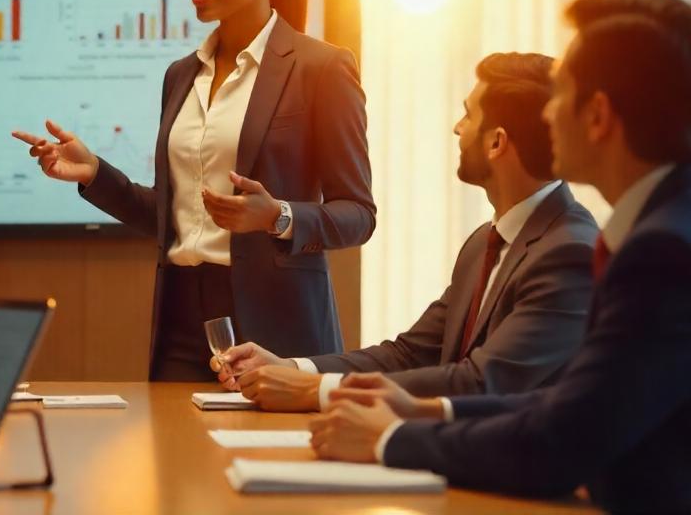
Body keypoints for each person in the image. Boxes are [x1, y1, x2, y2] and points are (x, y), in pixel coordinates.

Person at [309, 0, 691, 513]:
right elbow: (577, 404)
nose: (545, 117)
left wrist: (388, 440)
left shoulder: (669, 253)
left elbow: (559, 445)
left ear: (598, 116)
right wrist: (428, 410)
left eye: (558, 96)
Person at [13, 0, 376, 380]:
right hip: (182, 320)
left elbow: (358, 215)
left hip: (279, 328)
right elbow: (176, 218)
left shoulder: (321, 68)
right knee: (176, 456)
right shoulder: (181, 75)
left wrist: (278, 216)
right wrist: (96, 174)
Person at [213, 53, 596, 410]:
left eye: (468, 116)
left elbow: (482, 382)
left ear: (497, 142)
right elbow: (408, 354)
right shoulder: (484, 242)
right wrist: (293, 369)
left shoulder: (570, 252)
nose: (457, 128)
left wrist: (318, 392)